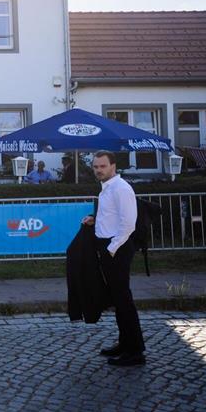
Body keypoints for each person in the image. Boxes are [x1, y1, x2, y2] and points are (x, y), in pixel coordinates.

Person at [81, 150, 144, 366]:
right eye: (95, 167)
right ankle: (125, 343)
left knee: (123, 300)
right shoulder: (107, 188)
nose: (98, 170)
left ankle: (135, 351)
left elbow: (128, 224)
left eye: (102, 166)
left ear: (113, 166)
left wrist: (111, 248)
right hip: (110, 248)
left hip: (117, 249)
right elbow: (112, 216)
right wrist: (94, 219)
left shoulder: (121, 189)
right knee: (118, 299)